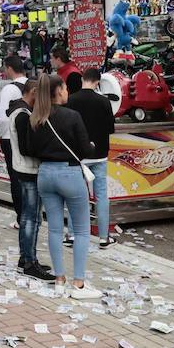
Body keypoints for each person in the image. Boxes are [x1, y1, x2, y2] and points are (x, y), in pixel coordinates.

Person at [16, 74, 99, 298]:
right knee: (81, 230)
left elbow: (30, 148)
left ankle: (60, 278)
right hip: (70, 173)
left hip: (45, 174)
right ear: (60, 90)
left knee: (53, 228)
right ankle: (79, 283)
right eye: (64, 88)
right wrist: (91, 145)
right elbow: (85, 150)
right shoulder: (72, 116)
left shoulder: (36, 118)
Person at [66, 70, 118, 248]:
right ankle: (104, 237)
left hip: (78, 156)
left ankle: (72, 235)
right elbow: (111, 128)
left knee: (76, 196)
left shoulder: (71, 100)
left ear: (82, 79)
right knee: (101, 195)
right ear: (98, 82)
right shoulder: (104, 101)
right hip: (100, 155)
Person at [7, 79, 53, 281]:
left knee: (28, 216)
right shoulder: (23, 115)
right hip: (29, 169)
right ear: (33, 92)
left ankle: (26, 258)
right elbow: (27, 147)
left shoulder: (19, 111)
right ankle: (29, 262)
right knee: (31, 217)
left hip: (23, 169)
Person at [0, 55, 29, 231]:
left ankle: (21, 217)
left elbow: (2, 118)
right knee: (29, 178)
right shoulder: (33, 85)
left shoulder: (9, 89)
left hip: (10, 137)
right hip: (29, 136)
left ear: (9, 68)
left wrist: (0, 135)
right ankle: (31, 215)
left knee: (16, 178)